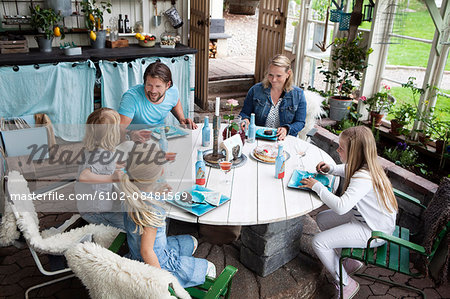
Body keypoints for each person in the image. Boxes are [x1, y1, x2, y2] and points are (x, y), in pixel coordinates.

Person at [300, 126, 398, 299]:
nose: (338, 150)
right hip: (369, 219)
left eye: (341, 148)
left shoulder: (363, 178)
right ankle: (348, 262)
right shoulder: (366, 165)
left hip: (374, 231)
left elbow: (341, 206)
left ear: (354, 154)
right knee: (322, 218)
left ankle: (346, 283)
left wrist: (317, 187)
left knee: (319, 242)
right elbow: (347, 168)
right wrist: (330, 168)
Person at [120, 143, 216, 288]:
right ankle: (175, 274)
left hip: (139, 253)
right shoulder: (152, 208)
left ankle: (178, 258)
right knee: (210, 269)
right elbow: (146, 251)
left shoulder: (129, 192)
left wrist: (156, 190)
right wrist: (162, 280)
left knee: (192, 241)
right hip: (154, 263)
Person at [119, 62, 197, 142]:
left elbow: (174, 103)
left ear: (168, 85)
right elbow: (118, 129)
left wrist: (181, 119)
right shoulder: (131, 97)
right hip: (134, 142)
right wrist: (131, 134)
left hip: (159, 138)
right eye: (149, 85)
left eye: (158, 86)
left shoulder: (172, 91)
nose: (153, 91)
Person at [74, 108, 125, 230]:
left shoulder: (95, 147)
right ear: (112, 134)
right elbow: (84, 176)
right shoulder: (100, 154)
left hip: (89, 206)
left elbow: (98, 165)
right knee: (131, 226)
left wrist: (115, 165)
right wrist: (112, 177)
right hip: (97, 212)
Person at [239, 54, 307, 141]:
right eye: (270, 75)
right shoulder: (256, 90)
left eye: (279, 76)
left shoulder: (298, 94)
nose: (273, 79)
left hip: (284, 140)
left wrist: (286, 129)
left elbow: (300, 122)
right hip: (258, 139)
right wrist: (245, 120)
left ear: (288, 74)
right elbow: (244, 113)